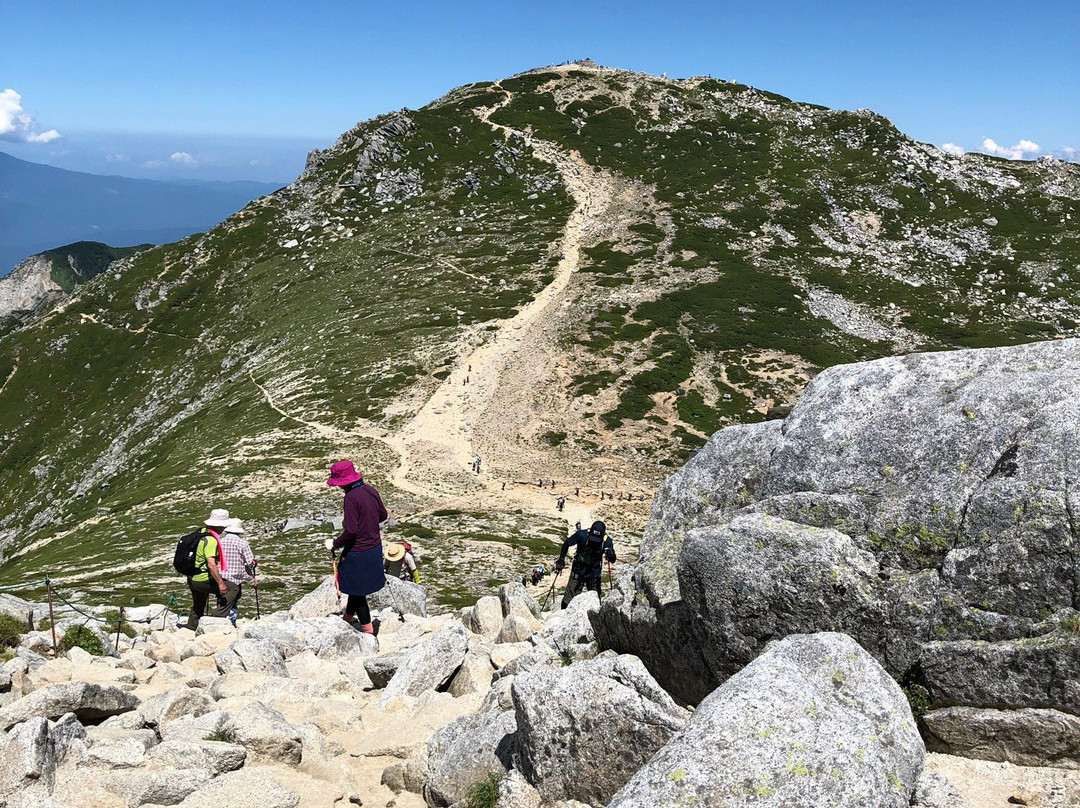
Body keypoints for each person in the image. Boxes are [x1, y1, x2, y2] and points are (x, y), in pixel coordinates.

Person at [324, 460, 387, 637]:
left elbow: (351, 531)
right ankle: (347, 619)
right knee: (355, 587)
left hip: (358, 551)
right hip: (374, 547)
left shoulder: (350, 498)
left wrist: (335, 543)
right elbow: (383, 515)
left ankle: (368, 632)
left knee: (357, 591)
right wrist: (369, 524)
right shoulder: (370, 490)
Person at [184, 508, 230, 630]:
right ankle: (215, 618)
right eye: (223, 526)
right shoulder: (211, 540)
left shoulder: (201, 534)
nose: (224, 528)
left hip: (192, 577)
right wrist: (221, 583)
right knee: (233, 588)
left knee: (199, 602)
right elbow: (211, 564)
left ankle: (191, 626)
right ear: (218, 526)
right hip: (202, 578)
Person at [555, 521, 615, 609]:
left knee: (595, 601)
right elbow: (567, 543)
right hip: (580, 571)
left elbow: (612, 559)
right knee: (568, 600)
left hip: (592, 574)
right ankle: (564, 612)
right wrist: (561, 560)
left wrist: (611, 555)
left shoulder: (606, 541)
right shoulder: (582, 535)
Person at [215, 518, 256, 625]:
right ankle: (231, 621)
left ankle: (221, 619)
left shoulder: (220, 542)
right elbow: (250, 562)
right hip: (236, 577)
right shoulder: (242, 543)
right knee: (233, 599)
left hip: (220, 576)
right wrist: (255, 564)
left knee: (222, 598)